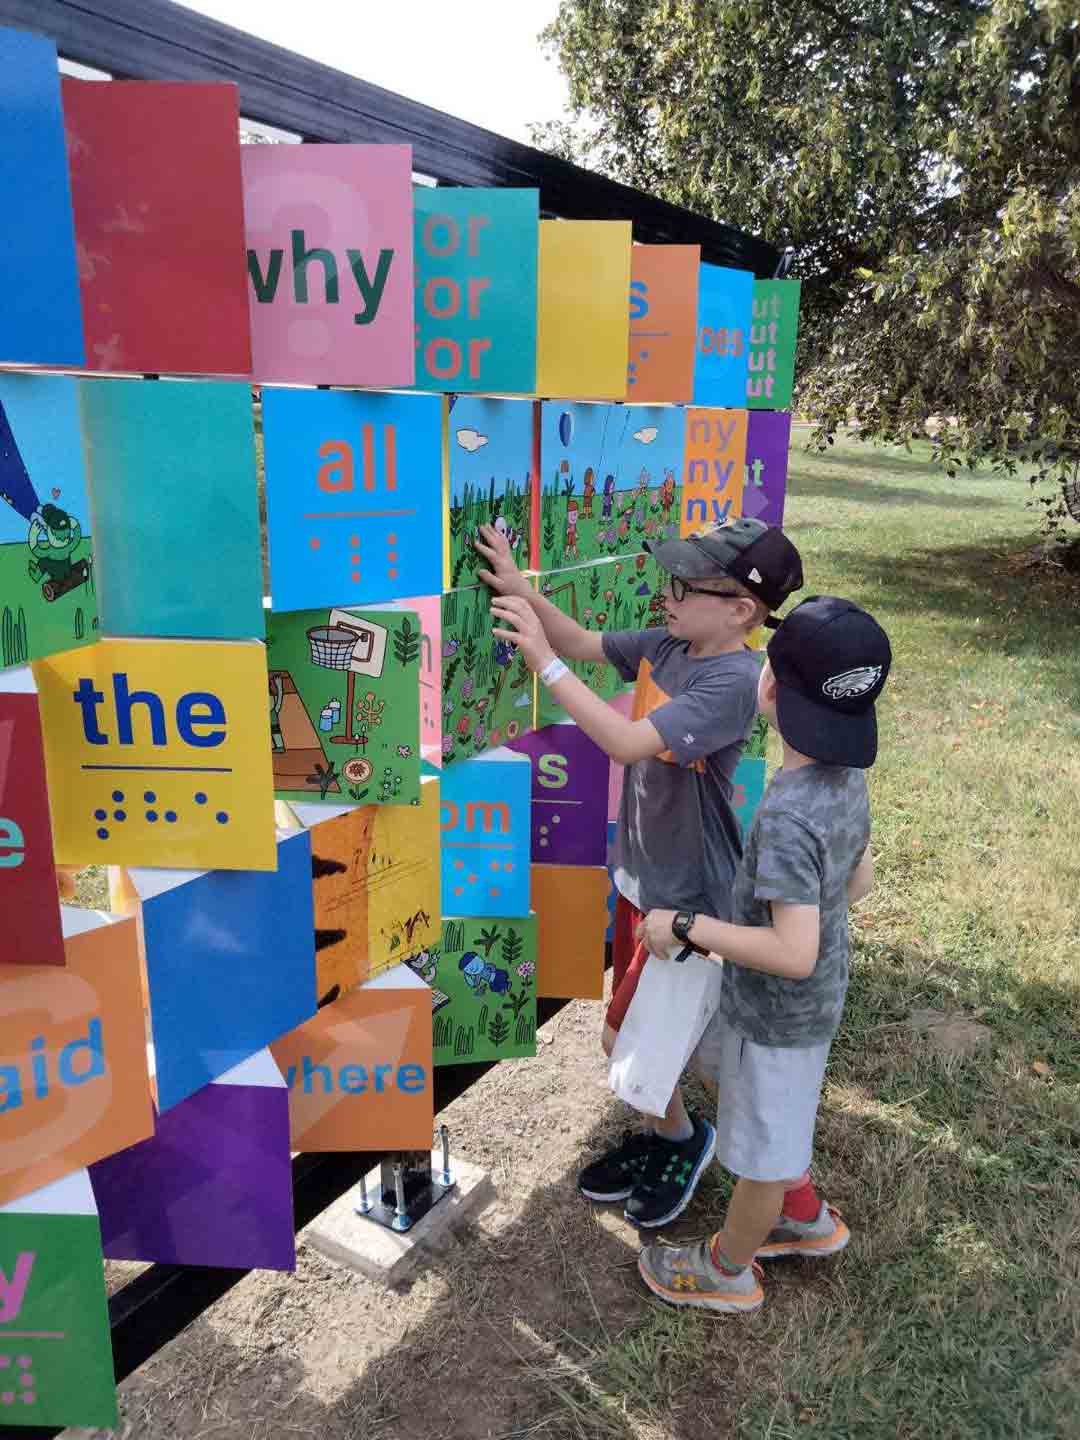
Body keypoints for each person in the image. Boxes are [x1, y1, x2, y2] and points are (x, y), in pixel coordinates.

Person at [476, 517, 804, 1228]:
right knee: (649, 1036)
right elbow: (580, 641)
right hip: (642, 881)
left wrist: (545, 666)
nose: (668, 595)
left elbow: (626, 741)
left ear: (741, 611)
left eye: (685, 586)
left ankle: (685, 1141)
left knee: (622, 1039)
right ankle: (680, 1135)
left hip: (690, 903)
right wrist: (519, 585)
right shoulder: (671, 643)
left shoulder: (732, 681)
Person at [634, 595, 892, 1313]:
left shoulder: (786, 815)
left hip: (779, 1016)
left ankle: (729, 1267)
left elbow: (792, 951)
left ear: (769, 687)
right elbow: (859, 879)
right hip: (806, 1005)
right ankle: (802, 1213)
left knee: (762, 1157)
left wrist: (688, 926)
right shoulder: (844, 779)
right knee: (758, 1100)